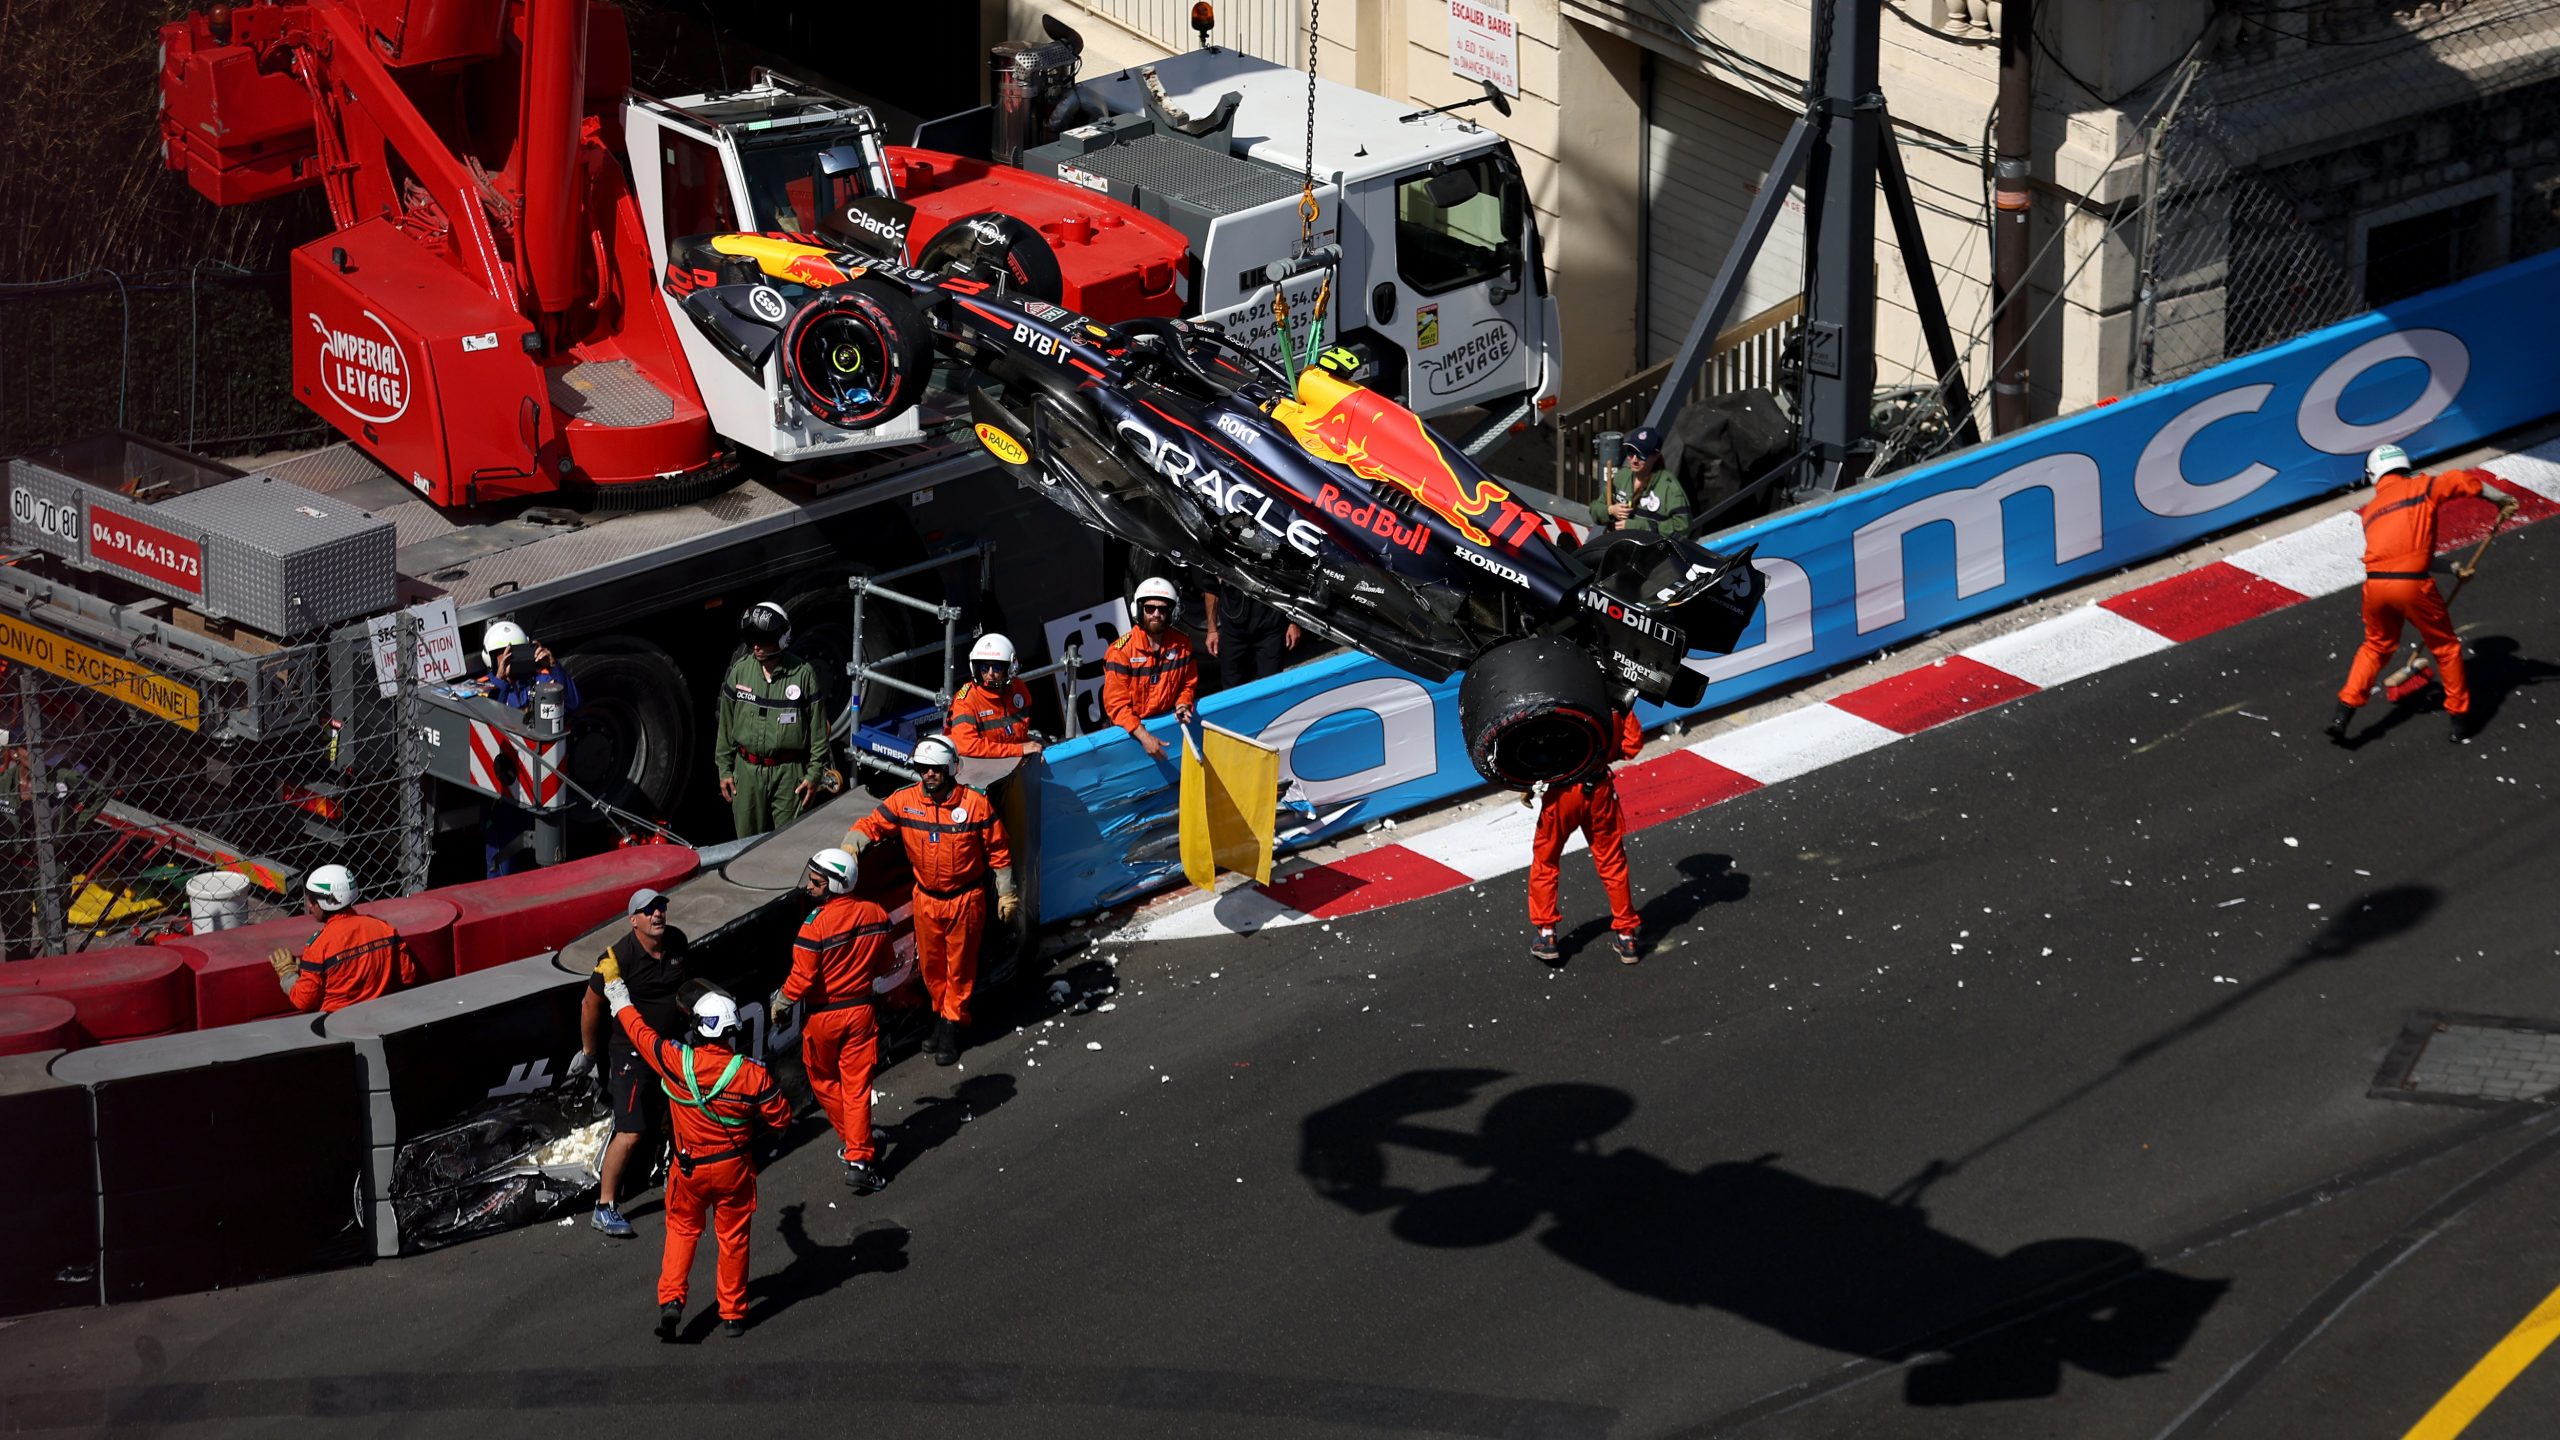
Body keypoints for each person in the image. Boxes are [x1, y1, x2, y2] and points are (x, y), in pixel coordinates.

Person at [596, 964, 791, 1340]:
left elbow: (640, 1033)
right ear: (732, 1029)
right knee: (733, 1238)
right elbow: (781, 1118)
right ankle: (733, 1313)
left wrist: (618, 994)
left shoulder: (676, 1061)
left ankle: (672, 1301)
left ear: (699, 1027)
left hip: (689, 1170)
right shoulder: (753, 1074)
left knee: (682, 1231)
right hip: (735, 1170)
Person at [2326, 443, 2519, 745]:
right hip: (2413, 586)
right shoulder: (2422, 487)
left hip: (2376, 586)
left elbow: (2402, 554)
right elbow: (2457, 480)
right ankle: (2459, 720)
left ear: (2374, 474)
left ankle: (2344, 712)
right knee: (2445, 648)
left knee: (2376, 647)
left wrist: (2452, 567)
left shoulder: (2371, 512)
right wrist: (2500, 498)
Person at [846, 735, 1017, 1066]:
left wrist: (1007, 893)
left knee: (960, 967)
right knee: (931, 966)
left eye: (936, 769)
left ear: (951, 769)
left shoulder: (975, 805)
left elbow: (999, 850)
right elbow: (872, 824)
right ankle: (941, 1015)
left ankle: (952, 1025)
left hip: (965, 900)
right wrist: (851, 845)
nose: (930, 775)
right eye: (924, 769)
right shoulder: (904, 801)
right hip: (926, 899)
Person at [781, 847, 910, 1194]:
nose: (810, 886)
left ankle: (858, 1152)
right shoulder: (877, 913)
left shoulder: (814, 925)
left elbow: (802, 980)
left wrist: (782, 1001)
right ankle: (859, 1145)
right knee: (856, 1088)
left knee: (824, 1081)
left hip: (823, 1018)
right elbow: (885, 966)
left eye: (817, 882)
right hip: (861, 1013)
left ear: (837, 885)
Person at [579, 888, 691, 1239]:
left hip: (670, 1047)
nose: (658, 914)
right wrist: (589, 1052)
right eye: (648, 911)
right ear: (634, 920)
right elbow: (590, 1005)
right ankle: (604, 1206)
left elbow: (685, 990)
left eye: (661, 907)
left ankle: (686, 1184)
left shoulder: (678, 942)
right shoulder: (616, 958)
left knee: (684, 1116)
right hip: (631, 1053)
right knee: (631, 1131)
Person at [1527, 707, 1646, 964]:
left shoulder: (1553, 695)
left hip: (1561, 794)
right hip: (1600, 790)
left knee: (1546, 861)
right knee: (1612, 863)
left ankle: (1547, 934)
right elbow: (1633, 744)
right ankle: (1627, 935)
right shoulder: (1615, 698)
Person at [714, 601, 831, 839]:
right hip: (747, 774)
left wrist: (813, 775)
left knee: (788, 843)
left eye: (763, 639)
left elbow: (819, 731)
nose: (756, 646)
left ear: (780, 638)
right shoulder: (740, 671)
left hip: (789, 775)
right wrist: (724, 770)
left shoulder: (803, 674)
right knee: (746, 846)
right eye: (751, 639)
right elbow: (725, 726)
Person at [475, 620, 581, 877]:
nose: (512, 659)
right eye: (504, 654)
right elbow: (482, 723)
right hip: (502, 792)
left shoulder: (541, 680)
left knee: (541, 860)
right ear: (491, 658)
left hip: (537, 786)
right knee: (502, 863)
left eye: (517, 651)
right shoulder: (483, 686)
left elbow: (573, 704)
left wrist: (553, 667)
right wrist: (500, 681)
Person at [266, 864, 418, 1013]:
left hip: (338, 1027)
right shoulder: (384, 928)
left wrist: (287, 974)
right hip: (382, 1018)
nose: (309, 906)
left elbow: (304, 1001)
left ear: (326, 902)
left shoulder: (319, 946)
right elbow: (407, 976)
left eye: (312, 901)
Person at [1102, 576, 1197, 759]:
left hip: (1167, 726)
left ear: (1172, 612)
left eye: (1162, 609)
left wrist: (1183, 704)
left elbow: (1188, 683)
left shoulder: (1183, 645)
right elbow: (1116, 705)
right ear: (1138, 610)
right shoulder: (1120, 652)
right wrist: (1144, 736)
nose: (1156, 614)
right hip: (1130, 733)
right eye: (1149, 608)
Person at [947, 633, 1041, 760]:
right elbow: (967, 747)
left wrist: (1030, 750)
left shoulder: (1018, 688)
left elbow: (1021, 734)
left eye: (997, 667)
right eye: (984, 667)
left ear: (1009, 668)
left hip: (1012, 761)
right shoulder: (965, 701)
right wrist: (1019, 750)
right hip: (977, 768)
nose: (990, 673)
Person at [1589, 425, 1691, 539]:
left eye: (1641, 455)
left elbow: (1683, 527)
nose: (1634, 460)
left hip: (1651, 553)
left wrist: (1641, 527)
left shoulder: (1670, 488)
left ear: (1655, 456)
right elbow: (1594, 509)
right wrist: (1610, 510)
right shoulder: (1621, 477)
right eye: (1630, 452)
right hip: (1620, 548)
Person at [1201, 581, 1301, 692]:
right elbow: (1211, 588)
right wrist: (1212, 630)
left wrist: (1294, 621)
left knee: (1272, 688)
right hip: (1233, 630)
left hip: (1270, 627)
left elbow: (1291, 580)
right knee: (1232, 690)